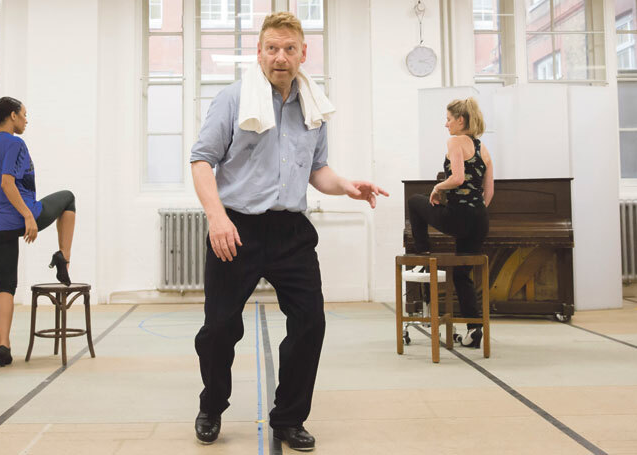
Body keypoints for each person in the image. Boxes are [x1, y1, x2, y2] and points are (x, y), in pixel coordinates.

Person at [190, 11, 388, 451]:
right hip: (236, 227)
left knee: (310, 323)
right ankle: (212, 404)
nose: (281, 57)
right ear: (259, 52)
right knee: (219, 329)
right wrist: (217, 217)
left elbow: (318, 171)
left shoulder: (313, 107)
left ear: (304, 53)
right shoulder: (232, 99)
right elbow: (201, 160)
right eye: (272, 48)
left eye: (290, 48)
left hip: (290, 231)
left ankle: (289, 418)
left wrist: (348, 186)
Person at [0, 96, 76, 367]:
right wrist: (28, 216)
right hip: (26, 215)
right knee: (69, 198)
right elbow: (6, 183)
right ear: (13, 116)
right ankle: (63, 256)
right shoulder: (15, 143)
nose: (26, 120)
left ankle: (4, 343)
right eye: (24, 115)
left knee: (7, 284)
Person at [407, 97, 494, 348]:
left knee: (415, 201)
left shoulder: (455, 141)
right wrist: (473, 212)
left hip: (458, 217)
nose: (446, 125)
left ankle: (422, 256)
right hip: (480, 220)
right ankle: (474, 329)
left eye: (448, 119)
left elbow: (456, 178)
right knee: (462, 275)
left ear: (460, 120)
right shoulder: (483, 149)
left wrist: (437, 187)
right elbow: (489, 193)